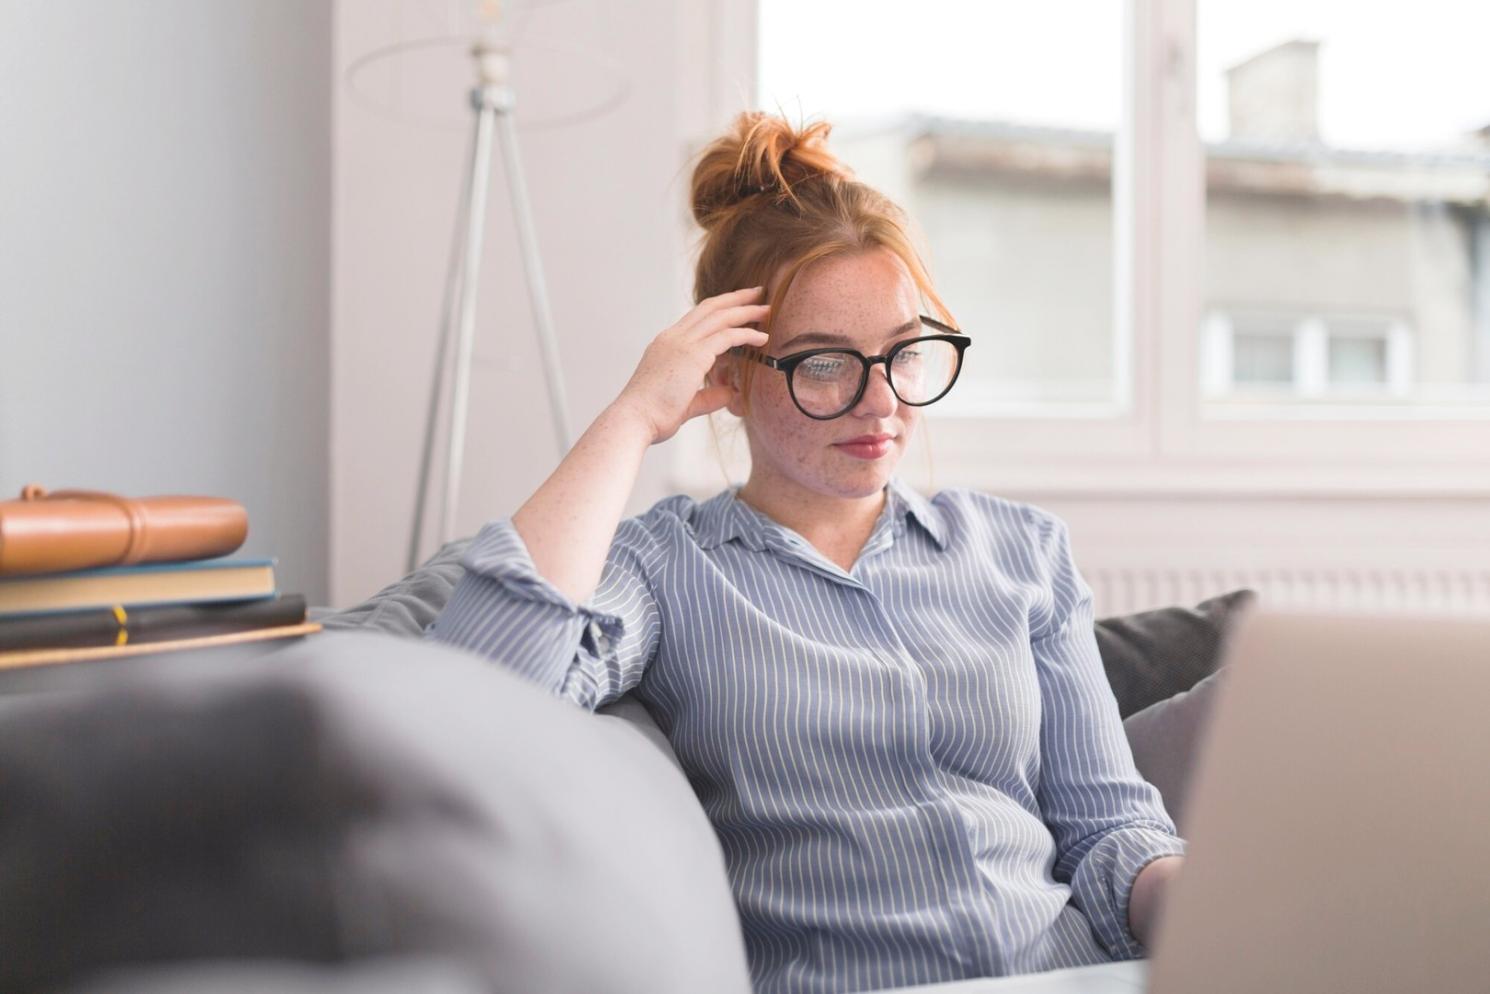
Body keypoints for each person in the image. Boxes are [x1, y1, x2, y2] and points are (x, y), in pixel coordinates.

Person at [427, 111, 1185, 994]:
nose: (882, 404)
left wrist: (1210, 904)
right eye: (826, 363)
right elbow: (474, 695)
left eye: (906, 353)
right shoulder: (668, 570)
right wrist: (635, 415)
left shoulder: (1022, 554)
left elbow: (1109, 829)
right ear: (735, 375)